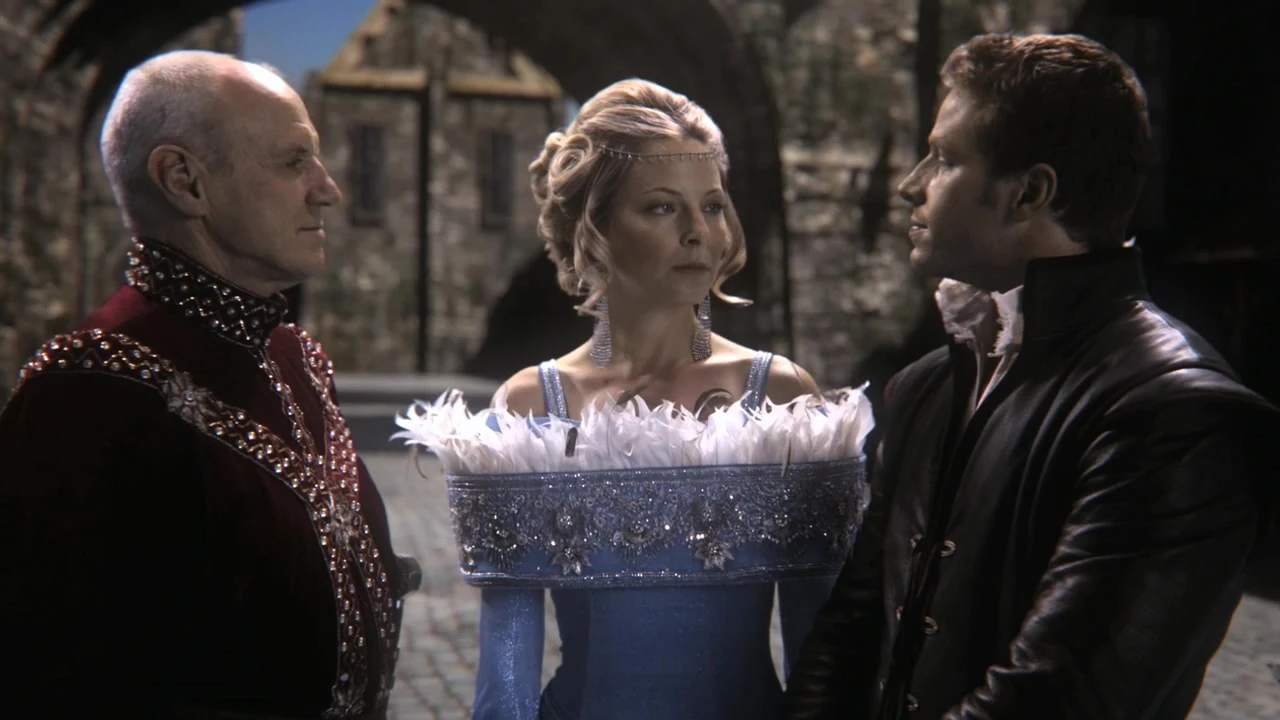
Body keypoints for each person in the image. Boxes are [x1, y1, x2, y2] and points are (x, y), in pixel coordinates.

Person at [783, 33, 1279, 720]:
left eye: (945, 158)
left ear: (1029, 193)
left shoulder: (1175, 412)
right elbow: (851, 631)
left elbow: (1057, 697)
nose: (910, 184)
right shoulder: (929, 386)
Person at [392, 79, 875, 720]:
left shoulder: (780, 395)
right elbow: (506, 667)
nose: (698, 232)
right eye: (662, 208)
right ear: (595, 229)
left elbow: (823, 652)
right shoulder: (535, 403)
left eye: (712, 206)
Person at [0, 50, 419, 718]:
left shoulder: (296, 357)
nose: (327, 189)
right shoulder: (87, 395)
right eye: (293, 161)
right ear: (184, 181)